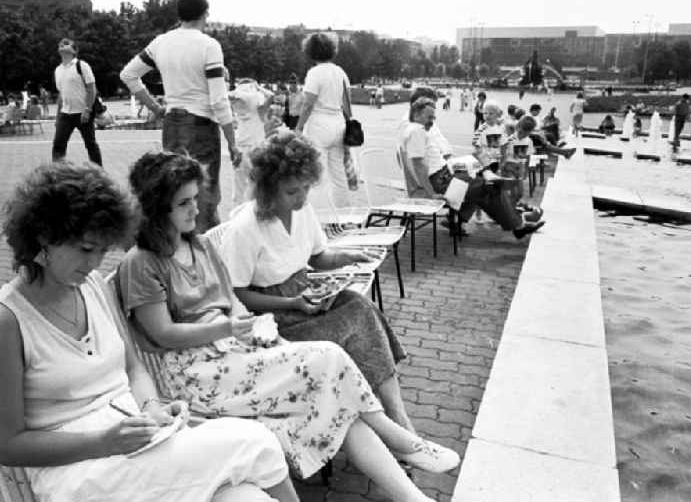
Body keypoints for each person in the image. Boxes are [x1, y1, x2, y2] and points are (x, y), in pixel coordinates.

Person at [118, 153, 458, 501]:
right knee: (329, 358)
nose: (195, 208)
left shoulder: (200, 245)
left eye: (195, 198)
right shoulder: (141, 263)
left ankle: (414, 498)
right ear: (158, 209)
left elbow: (231, 302)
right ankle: (401, 439)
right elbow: (163, 334)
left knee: (339, 406)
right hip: (195, 373)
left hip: (234, 353)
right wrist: (231, 329)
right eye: (183, 203)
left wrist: (266, 335)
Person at [0, 162, 300, 502]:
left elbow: (133, 368)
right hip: (76, 470)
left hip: (135, 442)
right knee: (255, 442)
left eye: (102, 250)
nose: (94, 263)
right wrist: (103, 442)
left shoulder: (92, 286)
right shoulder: (2, 320)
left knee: (247, 496)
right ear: (43, 235)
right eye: (85, 249)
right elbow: (8, 445)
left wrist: (152, 405)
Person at [220, 132, 422, 433]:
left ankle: (396, 417)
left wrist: (348, 257)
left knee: (360, 307)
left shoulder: (302, 211)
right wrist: (291, 303)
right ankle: (389, 421)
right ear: (266, 190)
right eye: (291, 192)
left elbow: (318, 257)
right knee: (355, 324)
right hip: (272, 319)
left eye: (305, 188)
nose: (301, 198)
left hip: (305, 297)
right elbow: (237, 295)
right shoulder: (244, 229)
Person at [120, 0, 239, 233]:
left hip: (172, 124)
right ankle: (203, 259)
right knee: (204, 200)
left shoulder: (161, 42)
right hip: (201, 125)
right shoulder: (209, 45)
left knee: (176, 196)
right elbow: (218, 100)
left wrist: (155, 106)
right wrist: (232, 143)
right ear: (205, 14)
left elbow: (128, 75)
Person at [402, 90, 545, 240]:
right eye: (429, 117)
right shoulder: (417, 131)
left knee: (479, 178)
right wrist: (431, 194)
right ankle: (518, 225)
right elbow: (418, 165)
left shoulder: (414, 129)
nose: (432, 121)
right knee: (490, 187)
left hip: (445, 174)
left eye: (433, 117)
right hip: (441, 182)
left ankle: (464, 219)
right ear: (417, 114)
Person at [295, 33, 355, 209]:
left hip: (319, 125)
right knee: (338, 175)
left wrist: (298, 127)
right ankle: (343, 214)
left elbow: (308, 104)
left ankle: (321, 217)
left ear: (310, 51)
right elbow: (347, 103)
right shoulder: (340, 72)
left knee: (317, 175)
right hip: (338, 124)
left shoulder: (314, 73)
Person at [52, 38, 103, 166]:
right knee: (58, 144)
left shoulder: (82, 66)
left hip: (83, 113)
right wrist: (57, 116)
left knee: (90, 144)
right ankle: (58, 173)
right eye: (60, 43)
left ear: (74, 50)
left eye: (66, 43)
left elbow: (92, 89)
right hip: (65, 114)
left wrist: (88, 110)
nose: (62, 44)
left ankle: (99, 171)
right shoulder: (57, 70)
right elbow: (61, 95)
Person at [228, 79, 272, 207]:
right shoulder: (259, 111)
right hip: (257, 149)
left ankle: (236, 216)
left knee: (238, 187)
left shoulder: (237, 109)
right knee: (258, 185)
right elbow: (271, 96)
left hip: (240, 148)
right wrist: (259, 87)